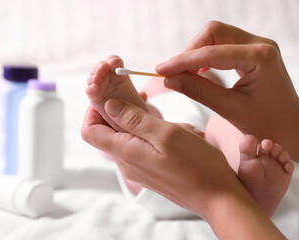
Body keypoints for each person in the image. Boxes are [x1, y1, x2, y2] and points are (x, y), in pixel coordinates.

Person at [82, 21, 297, 239]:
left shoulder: (211, 107)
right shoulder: (160, 99)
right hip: (154, 174)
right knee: (142, 131)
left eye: (206, 77)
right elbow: (106, 152)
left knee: (225, 124)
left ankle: (251, 184)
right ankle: (129, 116)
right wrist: (147, 112)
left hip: (214, 168)